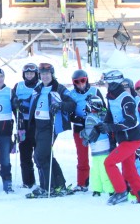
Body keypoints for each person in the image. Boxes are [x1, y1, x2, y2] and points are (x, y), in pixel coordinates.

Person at [97, 69, 140, 205]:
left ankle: (121, 192)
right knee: (129, 171)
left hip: (132, 139)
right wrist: (100, 127)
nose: (105, 85)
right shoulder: (111, 97)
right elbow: (109, 116)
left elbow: (131, 121)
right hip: (124, 139)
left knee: (109, 162)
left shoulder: (126, 99)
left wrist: (111, 127)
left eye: (106, 83)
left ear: (113, 83)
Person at [26, 63, 76, 198]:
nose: (45, 77)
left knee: (39, 156)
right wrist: (18, 102)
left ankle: (46, 187)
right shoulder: (38, 88)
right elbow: (30, 103)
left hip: (50, 126)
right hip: (38, 126)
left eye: (47, 74)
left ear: (52, 74)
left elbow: (72, 104)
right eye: (42, 74)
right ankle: (59, 184)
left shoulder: (59, 88)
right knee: (47, 156)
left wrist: (60, 105)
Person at [67, 69, 104, 192]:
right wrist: (80, 119)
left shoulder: (95, 91)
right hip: (80, 128)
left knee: (100, 156)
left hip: (95, 129)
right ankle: (82, 183)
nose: (81, 84)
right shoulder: (72, 95)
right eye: (77, 82)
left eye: (83, 80)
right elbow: (69, 114)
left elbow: (104, 109)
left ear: (87, 80)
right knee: (82, 157)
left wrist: (95, 118)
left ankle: (104, 181)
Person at [80, 95, 115, 198]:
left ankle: (110, 189)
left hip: (103, 148)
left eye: (99, 104)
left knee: (104, 170)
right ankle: (97, 189)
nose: (98, 107)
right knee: (95, 171)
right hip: (96, 150)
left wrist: (82, 134)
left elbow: (89, 133)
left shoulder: (96, 116)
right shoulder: (93, 116)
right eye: (96, 105)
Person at [12, 63, 39, 188]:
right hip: (22, 124)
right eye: (27, 73)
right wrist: (16, 104)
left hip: (37, 124)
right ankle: (28, 181)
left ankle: (45, 180)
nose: (29, 76)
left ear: (36, 74)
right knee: (24, 154)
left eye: (31, 73)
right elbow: (12, 101)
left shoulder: (40, 85)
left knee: (39, 155)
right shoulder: (18, 86)